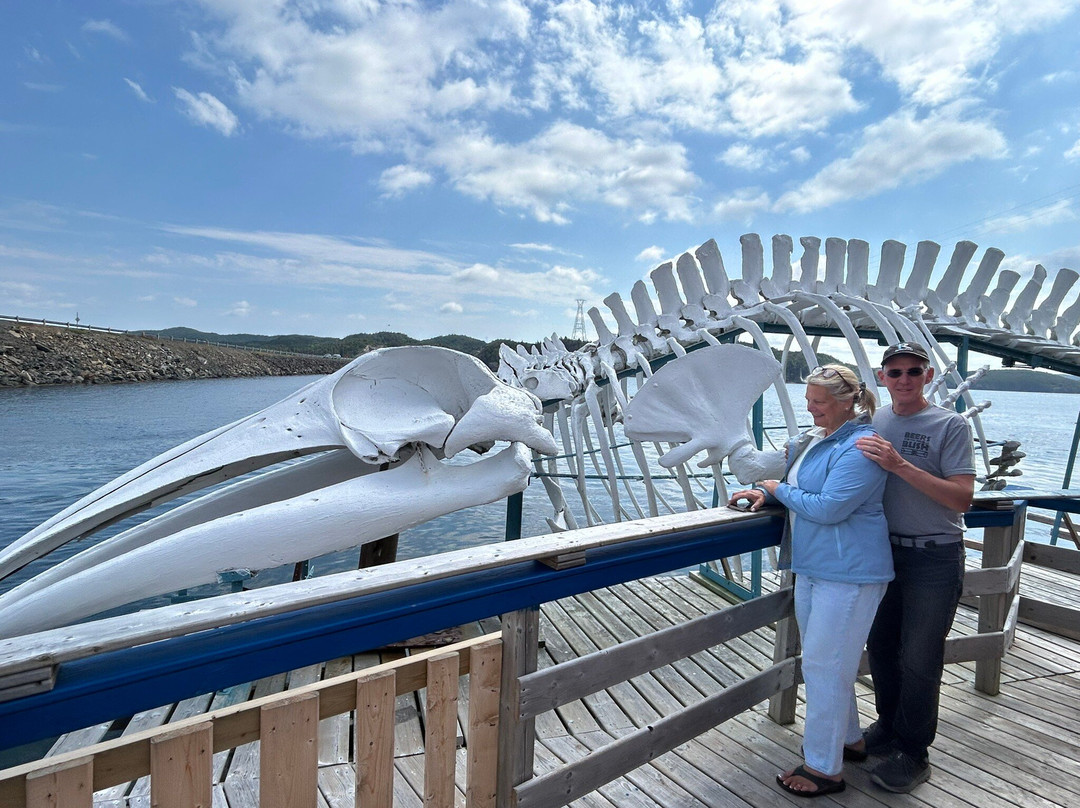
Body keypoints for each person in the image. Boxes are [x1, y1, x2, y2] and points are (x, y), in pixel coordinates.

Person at [730, 364, 892, 798]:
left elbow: (830, 507)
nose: (811, 409)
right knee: (830, 662)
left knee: (824, 665)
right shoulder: (816, 441)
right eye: (809, 401)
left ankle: (825, 768)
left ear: (846, 402)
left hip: (851, 573)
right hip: (814, 567)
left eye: (819, 402)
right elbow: (797, 488)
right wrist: (768, 493)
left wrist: (778, 491)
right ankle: (850, 741)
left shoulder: (862, 446)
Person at [852, 342, 975, 793]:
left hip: (933, 555)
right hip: (884, 553)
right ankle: (888, 726)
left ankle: (914, 750)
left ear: (927, 376)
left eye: (913, 371)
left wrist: (899, 465)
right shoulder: (874, 420)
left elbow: (961, 497)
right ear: (882, 377)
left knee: (921, 657)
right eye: (895, 371)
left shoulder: (950, 424)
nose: (904, 379)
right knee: (882, 646)